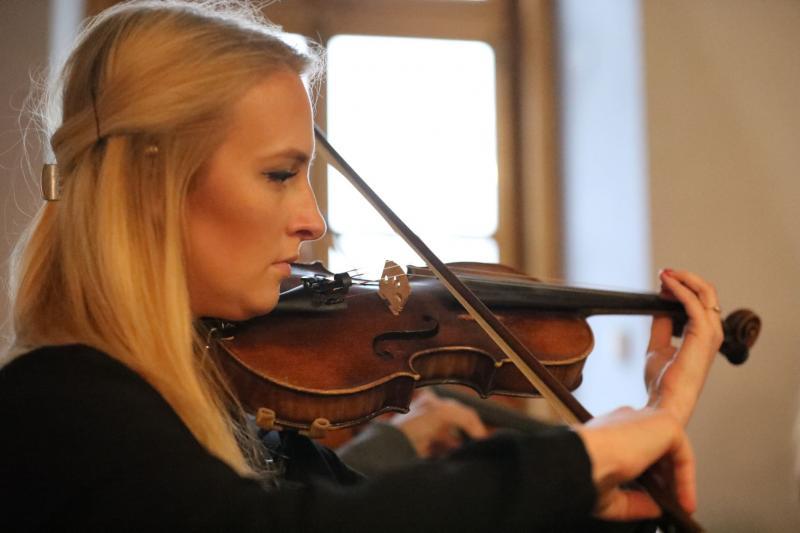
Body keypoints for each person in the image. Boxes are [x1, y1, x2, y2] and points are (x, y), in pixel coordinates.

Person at [0, 1, 725, 531]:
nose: (313, 220)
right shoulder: (54, 409)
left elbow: (370, 511)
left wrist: (593, 494)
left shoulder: (221, 412)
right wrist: (577, 458)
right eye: (280, 174)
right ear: (151, 186)